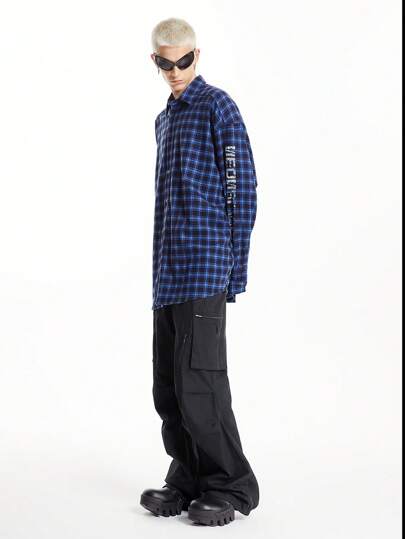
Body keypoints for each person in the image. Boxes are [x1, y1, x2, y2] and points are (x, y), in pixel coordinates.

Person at [140, 17, 259, 527]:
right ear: (155, 61)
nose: (175, 70)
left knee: (200, 385)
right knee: (168, 386)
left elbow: (241, 189)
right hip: (168, 275)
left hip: (205, 268)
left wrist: (235, 269)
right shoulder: (165, 120)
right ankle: (187, 476)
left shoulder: (217, 107)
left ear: (197, 56)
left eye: (183, 60)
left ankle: (230, 485)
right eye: (166, 62)